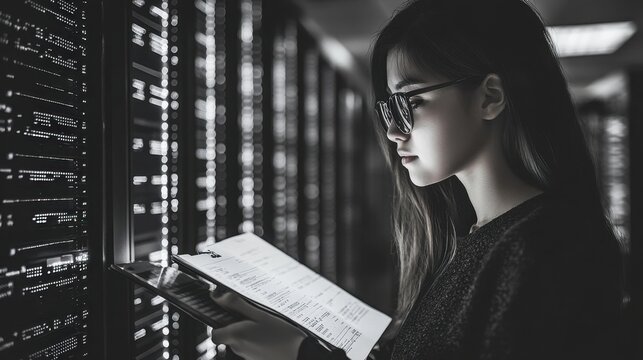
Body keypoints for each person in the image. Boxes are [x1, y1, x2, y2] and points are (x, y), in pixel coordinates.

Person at [210, 0, 626, 358]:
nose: (394, 132)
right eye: (391, 108)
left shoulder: (546, 245)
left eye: (412, 102)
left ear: (490, 97)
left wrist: (300, 355)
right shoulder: (482, 235)